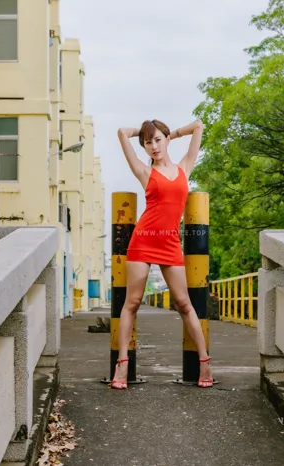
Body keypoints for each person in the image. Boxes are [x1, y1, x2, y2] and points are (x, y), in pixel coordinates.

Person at [112, 119, 212, 389]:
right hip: (143, 240)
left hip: (169, 243)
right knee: (131, 303)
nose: (153, 146)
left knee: (184, 303)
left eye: (158, 140)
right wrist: (142, 130)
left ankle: (205, 363)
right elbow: (122, 132)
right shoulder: (145, 172)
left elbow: (199, 126)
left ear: (166, 139)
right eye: (148, 142)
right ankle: (121, 367)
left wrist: (174, 134)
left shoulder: (184, 168)